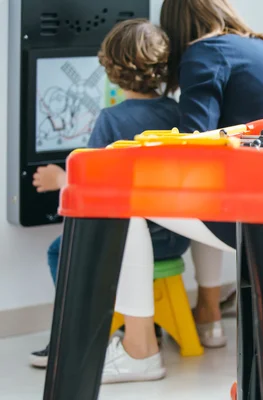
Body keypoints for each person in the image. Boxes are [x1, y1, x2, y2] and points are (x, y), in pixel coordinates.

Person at [100, 0, 263, 385]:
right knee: (215, 190)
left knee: (121, 202)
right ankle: (209, 318)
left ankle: (139, 350)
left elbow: (193, 146)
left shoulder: (204, 54)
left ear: (176, 29)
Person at [28, 19, 195, 370]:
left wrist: (61, 178)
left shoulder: (111, 120)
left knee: (60, 251)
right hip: (177, 237)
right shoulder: (180, 112)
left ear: (111, 71)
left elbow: (95, 189)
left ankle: (78, 332)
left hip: (133, 241)